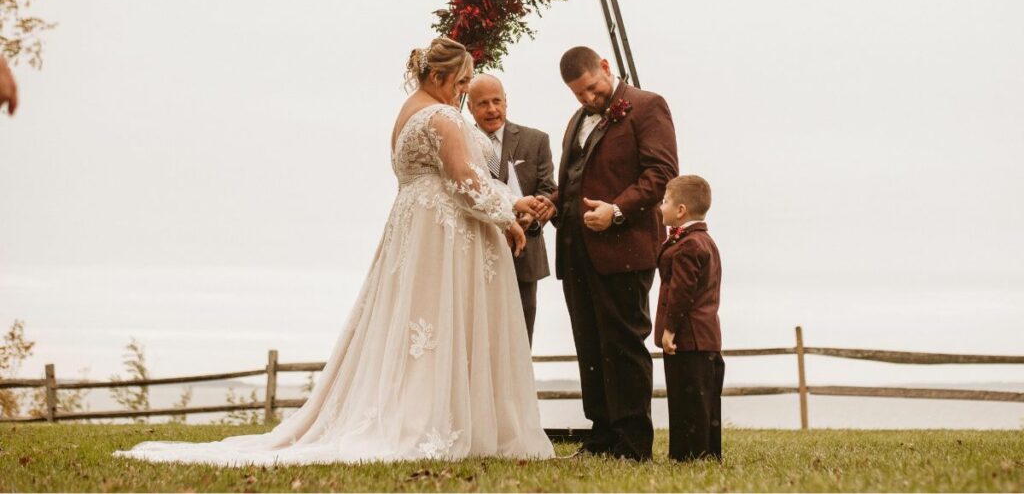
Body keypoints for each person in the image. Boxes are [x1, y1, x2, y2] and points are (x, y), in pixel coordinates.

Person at [115, 38, 555, 465]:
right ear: (439, 76)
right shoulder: (442, 116)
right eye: (461, 83)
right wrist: (508, 214)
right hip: (441, 232)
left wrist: (506, 206)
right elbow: (464, 180)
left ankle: (434, 411)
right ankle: (435, 418)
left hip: (415, 229)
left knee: (418, 323)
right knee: (440, 319)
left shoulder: (407, 115)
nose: (464, 94)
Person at [549, 46, 677, 461]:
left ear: (605, 67)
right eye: (579, 95)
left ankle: (633, 444)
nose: (587, 99)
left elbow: (662, 174)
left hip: (624, 249)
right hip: (575, 251)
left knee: (623, 345)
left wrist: (617, 210)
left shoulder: (647, 106)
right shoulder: (576, 121)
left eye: (591, 88)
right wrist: (551, 204)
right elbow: (575, 179)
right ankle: (601, 436)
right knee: (589, 347)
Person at [467, 74, 556, 347]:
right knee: (478, 338)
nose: (492, 109)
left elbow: (547, 189)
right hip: (476, 252)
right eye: (483, 103)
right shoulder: (460, 142)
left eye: (497, 101)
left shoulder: (536, 140)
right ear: (470, 107)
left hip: (524, 254)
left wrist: (534, 216)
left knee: (519, 341)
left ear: (506, 102)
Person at [655, 175, 724, 461]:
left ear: (681, 210)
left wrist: (670, 329)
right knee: (703, 399)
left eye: (665, 201)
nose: (661, 206)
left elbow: (681, 293)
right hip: (706, 337)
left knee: (688, 399)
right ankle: (707, 452)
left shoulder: (689, 246)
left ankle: (689, 454)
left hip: (689, 336)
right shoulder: (704, 241)